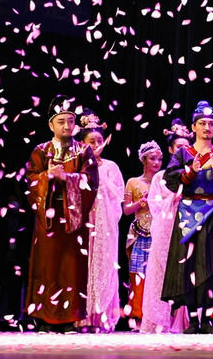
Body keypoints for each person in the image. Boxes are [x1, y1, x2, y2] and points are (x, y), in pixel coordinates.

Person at [162, 100, 213, 334]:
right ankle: (193, 320)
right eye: (202, 123)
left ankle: (206, 320)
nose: (207, 127)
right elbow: (170, 181)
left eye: (211, 124)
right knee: (188, 264)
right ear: (193, 127)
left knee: (211, 263)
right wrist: (191, 171)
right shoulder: (183, 153)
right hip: (188, 212)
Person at [26, 95, 98, 333]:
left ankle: (69, 318)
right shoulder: (41, 151)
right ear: (51, 125)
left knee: (71, 267)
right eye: (61, 121)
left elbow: (91, 182)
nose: (67, 126)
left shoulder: (84, 151)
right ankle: (43, 318)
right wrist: (46, 177)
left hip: (73, 216)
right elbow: (30, 181)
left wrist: (66, 177)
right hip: (48, 216)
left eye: (70, 121)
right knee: (46, 266)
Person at [139, 118, 194, 334]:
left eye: (186, 147)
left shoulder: (193, 174)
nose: (182, 150)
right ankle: (159, 320)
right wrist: (173, 199)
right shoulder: (160, 177)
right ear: (171, 149)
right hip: (165, 229)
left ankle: (183, 320)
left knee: (186, 271)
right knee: (161, 273)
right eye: (178, 147)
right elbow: (154, 204)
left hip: (187, 228)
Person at [77, 111, 123, 332]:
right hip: (85, 221)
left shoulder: (111, 166)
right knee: (83, 265)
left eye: (99, 140)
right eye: (91, 141)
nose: (96, 145)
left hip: (105, 222)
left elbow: (119, 195)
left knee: (104, 264)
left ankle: (103, 316)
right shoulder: (77, 165)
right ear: (82, 143)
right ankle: (82, 317)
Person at [123, 140, 163, 329]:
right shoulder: (134, 182)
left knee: (158, 276)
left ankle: (157, 318)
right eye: (152, 159)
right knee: (138, 274)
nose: (156, 163)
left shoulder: (164, 182)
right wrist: (141, 202)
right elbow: (126, 210)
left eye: (159, 159)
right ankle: (138, 317)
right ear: (143, 160)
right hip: (140, 233)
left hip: (159, 232)